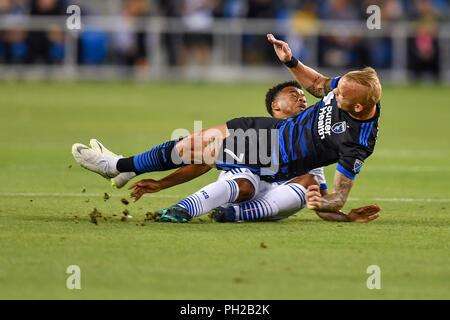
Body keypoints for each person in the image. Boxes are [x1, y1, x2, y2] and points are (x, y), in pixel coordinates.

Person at [72, 34, 382, 223]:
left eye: (340, 95)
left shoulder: (356, 143)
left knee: (198, 151)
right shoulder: (350, 86)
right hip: (269, 130)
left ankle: (117, 167)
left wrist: (327, 206)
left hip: (277, 155)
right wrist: (291, 62)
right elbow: (318, 84)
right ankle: (124, 169)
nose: (335, 93)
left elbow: (339, 195)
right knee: (192, 142)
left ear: (358, 108)